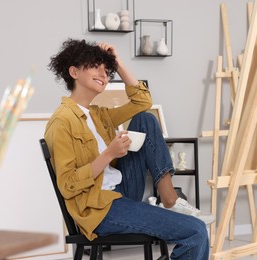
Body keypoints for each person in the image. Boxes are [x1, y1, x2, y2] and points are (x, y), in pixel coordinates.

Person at [45, 38, 214, 260]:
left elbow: (143, 102)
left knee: (144, 119)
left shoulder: (97, 115)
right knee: (196, 231)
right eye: (95, 67)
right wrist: (108, 154)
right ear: (74, 72)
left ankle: (170, 199)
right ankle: (171, 202)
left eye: (106, 70)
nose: (103, 74)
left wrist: (118, 63)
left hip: (121, 190)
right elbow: (67, 185)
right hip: (99, 208)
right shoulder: (62, 121)